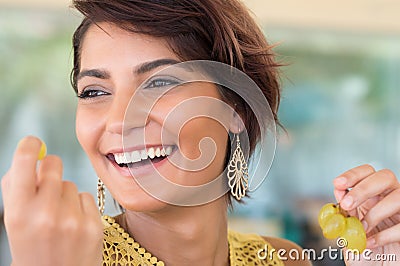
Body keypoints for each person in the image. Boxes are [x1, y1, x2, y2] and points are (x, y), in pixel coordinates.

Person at [2, 0, 400, 265]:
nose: (120, 120)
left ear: (236, 107)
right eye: (95, 91)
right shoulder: (68, 256)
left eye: (159, 83)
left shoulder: (280, 257)